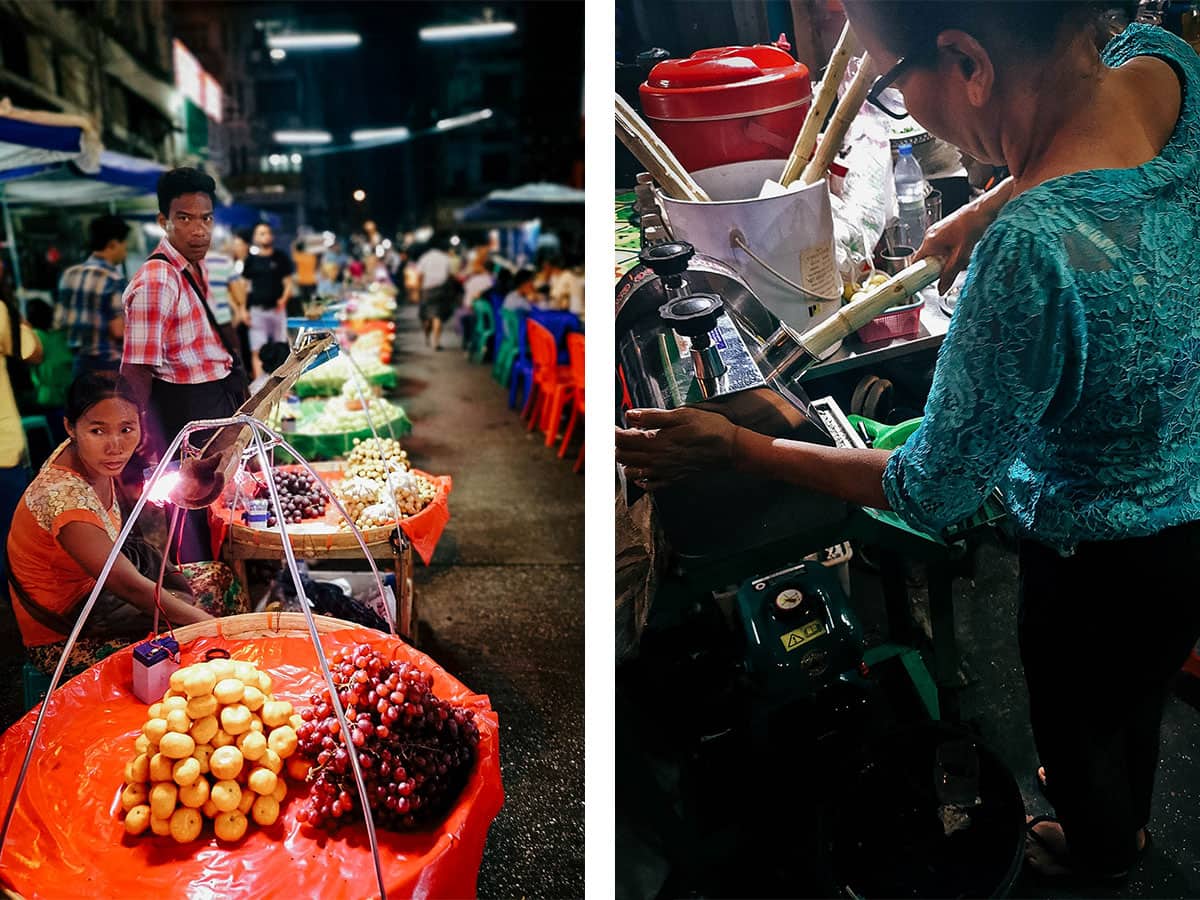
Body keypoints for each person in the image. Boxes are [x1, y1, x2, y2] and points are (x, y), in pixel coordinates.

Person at [617, 8, 1200, 885]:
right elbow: (1098, 147)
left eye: (890, 80)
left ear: (967, 61)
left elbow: (932, 490)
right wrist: (996, 201)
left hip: (1092, 564)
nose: (900, 101)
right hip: (1189, 508)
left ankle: (1106, 854)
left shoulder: (1033, 256)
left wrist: (738, 448)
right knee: (1137, 692)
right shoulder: (1167, 65)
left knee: (1076, 724)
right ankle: (1123, 810)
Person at [7, 373, 250, 678]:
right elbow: (131, 587)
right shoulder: (65, 502)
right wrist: (212, 627)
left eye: (126, 429)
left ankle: (231, 672)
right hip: (66, 636)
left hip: (101, 598)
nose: (115, 446)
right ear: (70, 427)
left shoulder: (87, 458)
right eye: (98, 431)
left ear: (140, 425)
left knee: (219, 578)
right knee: (197, 636)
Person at [121, 167, 249, 563]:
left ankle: (229, 573)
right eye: (185, 218)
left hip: (214, 398)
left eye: (206, 219)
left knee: (223, 498)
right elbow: (137, 368)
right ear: (164, 222)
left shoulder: (198, 266)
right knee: (192, 510)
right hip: (184, 410)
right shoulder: (158, 279)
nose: (199, 230)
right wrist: (135, 427)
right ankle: (201, 587)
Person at [57, 214, 129, 376]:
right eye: (124, 245)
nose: (125, 251)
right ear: (113, 244)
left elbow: (59, 321)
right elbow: (118, 331)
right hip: (108, 365)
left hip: (78, 363)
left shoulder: (69, 274)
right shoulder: (114, 279)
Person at [242, 223, 294, 378]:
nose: (265, 236)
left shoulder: (280, 257)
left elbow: (288, 283)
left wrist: (283, 299)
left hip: (277, 310)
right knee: (257, 349)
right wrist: (243, 309)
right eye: (261, 233)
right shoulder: (250, 261)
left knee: (282, 347)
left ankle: (283, 382)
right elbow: (245, 287)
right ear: (255, 237)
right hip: (257, 310)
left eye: (267, 232)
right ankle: (260, 387)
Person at [24, 299, 73, 445]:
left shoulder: (34, 337)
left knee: (58, 443)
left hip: (48, 398)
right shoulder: (61, 336)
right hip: (70, 395)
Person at [205, 236, 247, 370]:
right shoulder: (223, 261)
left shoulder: (186, 262)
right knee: (235, 363)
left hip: (196, 326)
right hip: (222, 322)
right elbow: (239, 296)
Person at [414, 236, 457, 351]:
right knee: (438, 316)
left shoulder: (424, 258)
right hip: (441, 290)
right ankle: (436, 342)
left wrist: (419, 290)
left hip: (427, 290)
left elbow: (419, 275)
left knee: (426, 316)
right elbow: (450, 275)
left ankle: (427, 337)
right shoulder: (445, 258)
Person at [291, 238, 319, 316]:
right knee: (313, 299)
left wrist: (294, 243)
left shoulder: (298, 257)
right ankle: (314, 313)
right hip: (312, 281)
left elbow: (293, 251)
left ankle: (306, 314)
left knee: (304, 300)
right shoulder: (312, 257)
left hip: (302, 282)